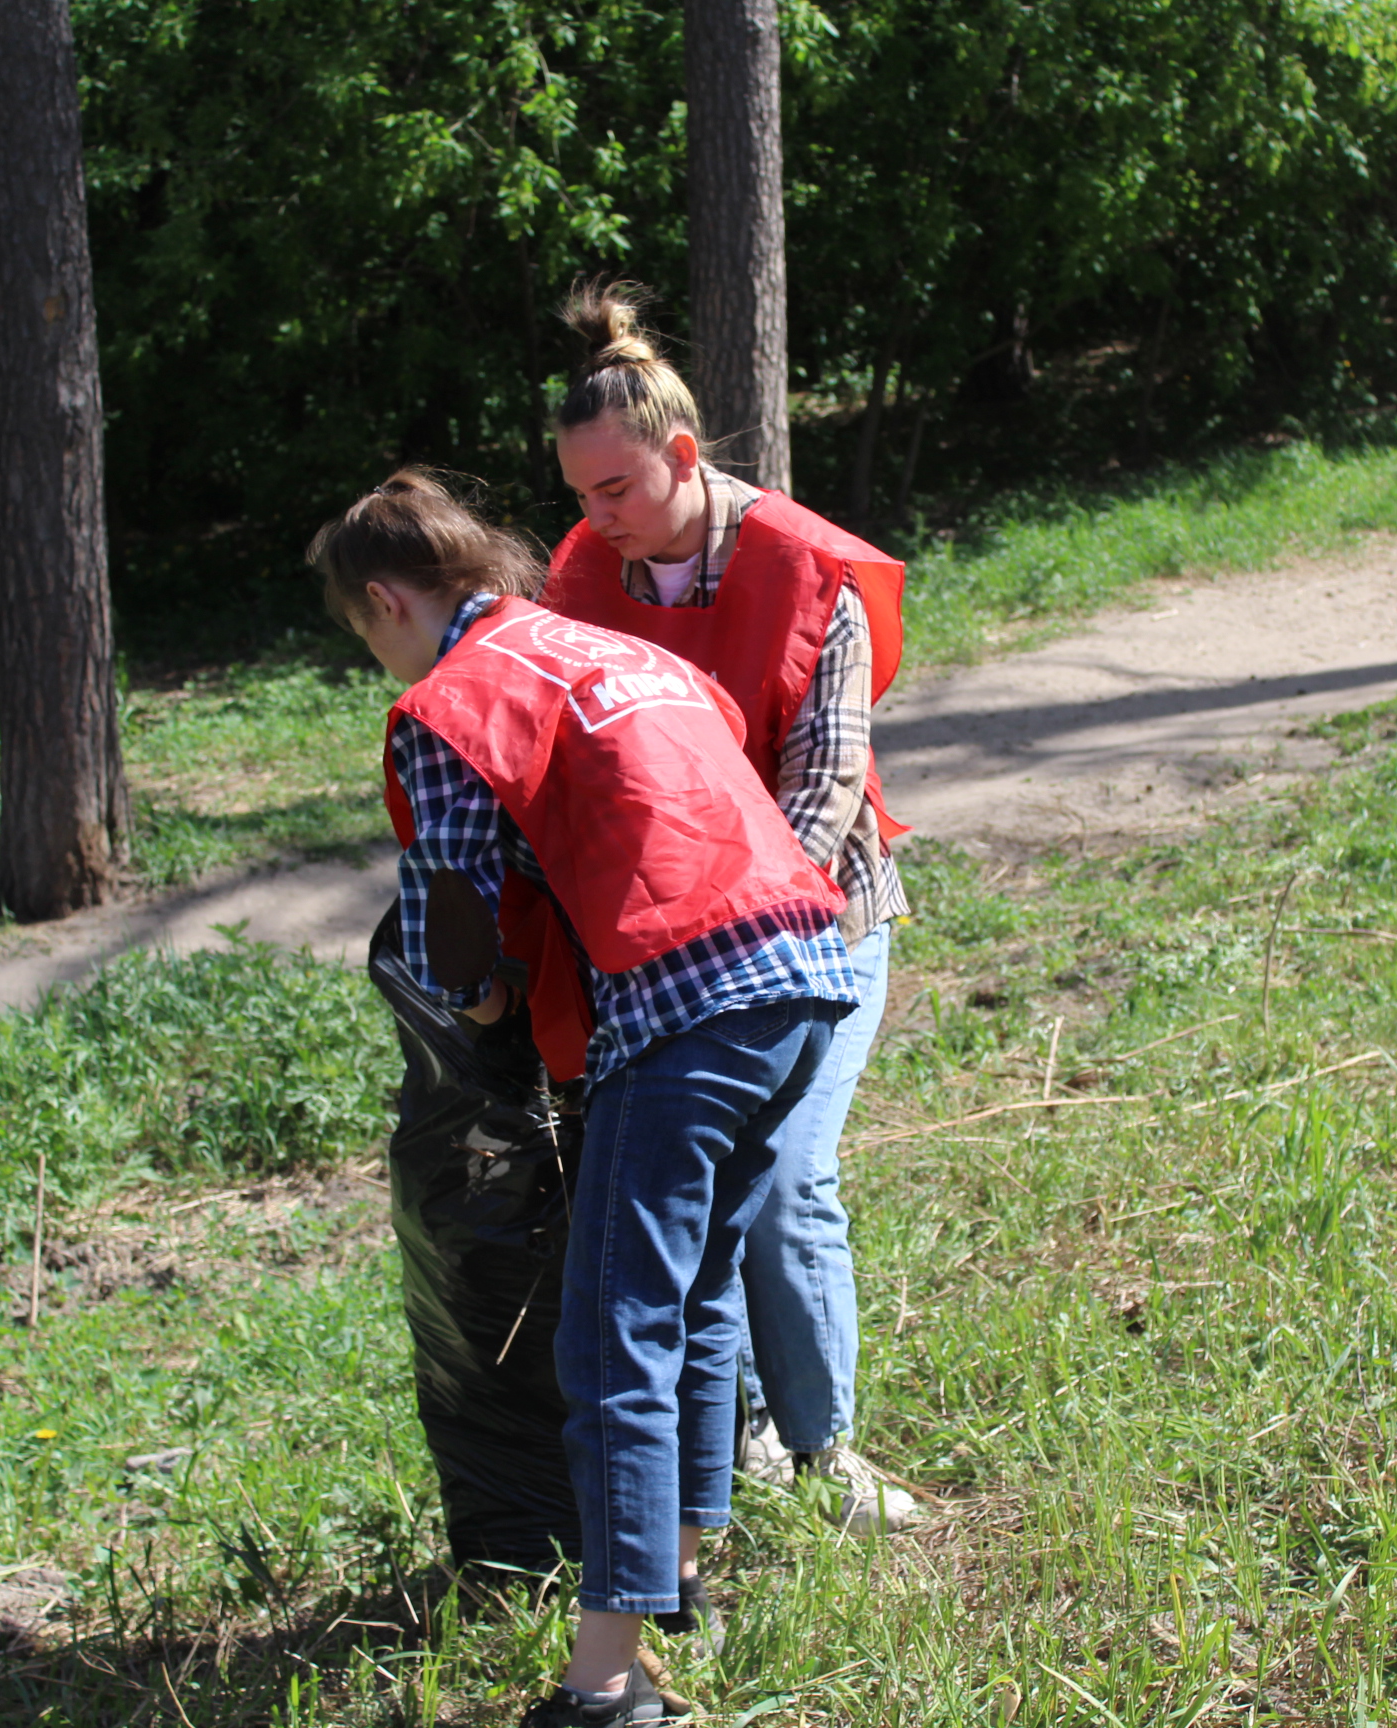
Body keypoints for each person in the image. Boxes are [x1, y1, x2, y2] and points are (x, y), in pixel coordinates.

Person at [313, 470, 859, 1728]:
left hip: (688, 1006)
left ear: (387, 601)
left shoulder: (451, 700)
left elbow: (453, 933)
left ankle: (605, 1684)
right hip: (807, 976)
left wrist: (488, 1017)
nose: (377, 656)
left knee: (615, 1336)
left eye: (363, 632)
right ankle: (681, 1577)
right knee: (699, 1294)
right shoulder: (616, 652)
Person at [544, 283, 919, 1535]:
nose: (594, 518)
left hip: (816, 926)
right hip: (663, 950)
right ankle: (739, 1432)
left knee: (787, 1181)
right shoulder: (583, 575)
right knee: (695, 1191)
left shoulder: (811, 573)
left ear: (684, 455)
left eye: (615, 489)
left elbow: (824, 786)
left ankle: (827, 1452)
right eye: (579, 495)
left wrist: (733, 934)